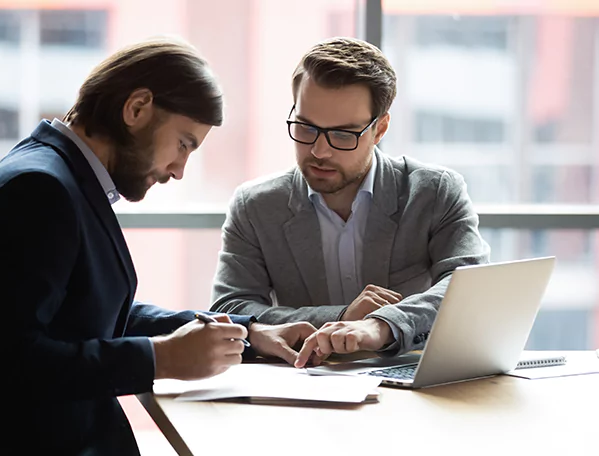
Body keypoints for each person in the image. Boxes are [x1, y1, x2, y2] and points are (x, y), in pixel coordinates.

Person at [0, 37, 316, 455]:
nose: (180, 170)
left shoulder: (60, 175)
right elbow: (7, 364)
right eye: (184, 143)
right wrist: (158, 360)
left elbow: (85, 314)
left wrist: (244, 333)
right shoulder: (39, 189)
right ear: (136, 108)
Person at [210, 37, 490, 367]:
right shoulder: (256, 206)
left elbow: (470, 289)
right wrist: (340, 316)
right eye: (305, 127)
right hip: (303, 388)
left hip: (413, 385)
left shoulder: (434, 192)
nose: (319, 151)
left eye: (343, 135)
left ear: (380, 128)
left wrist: (380, 326)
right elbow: (230, 309)